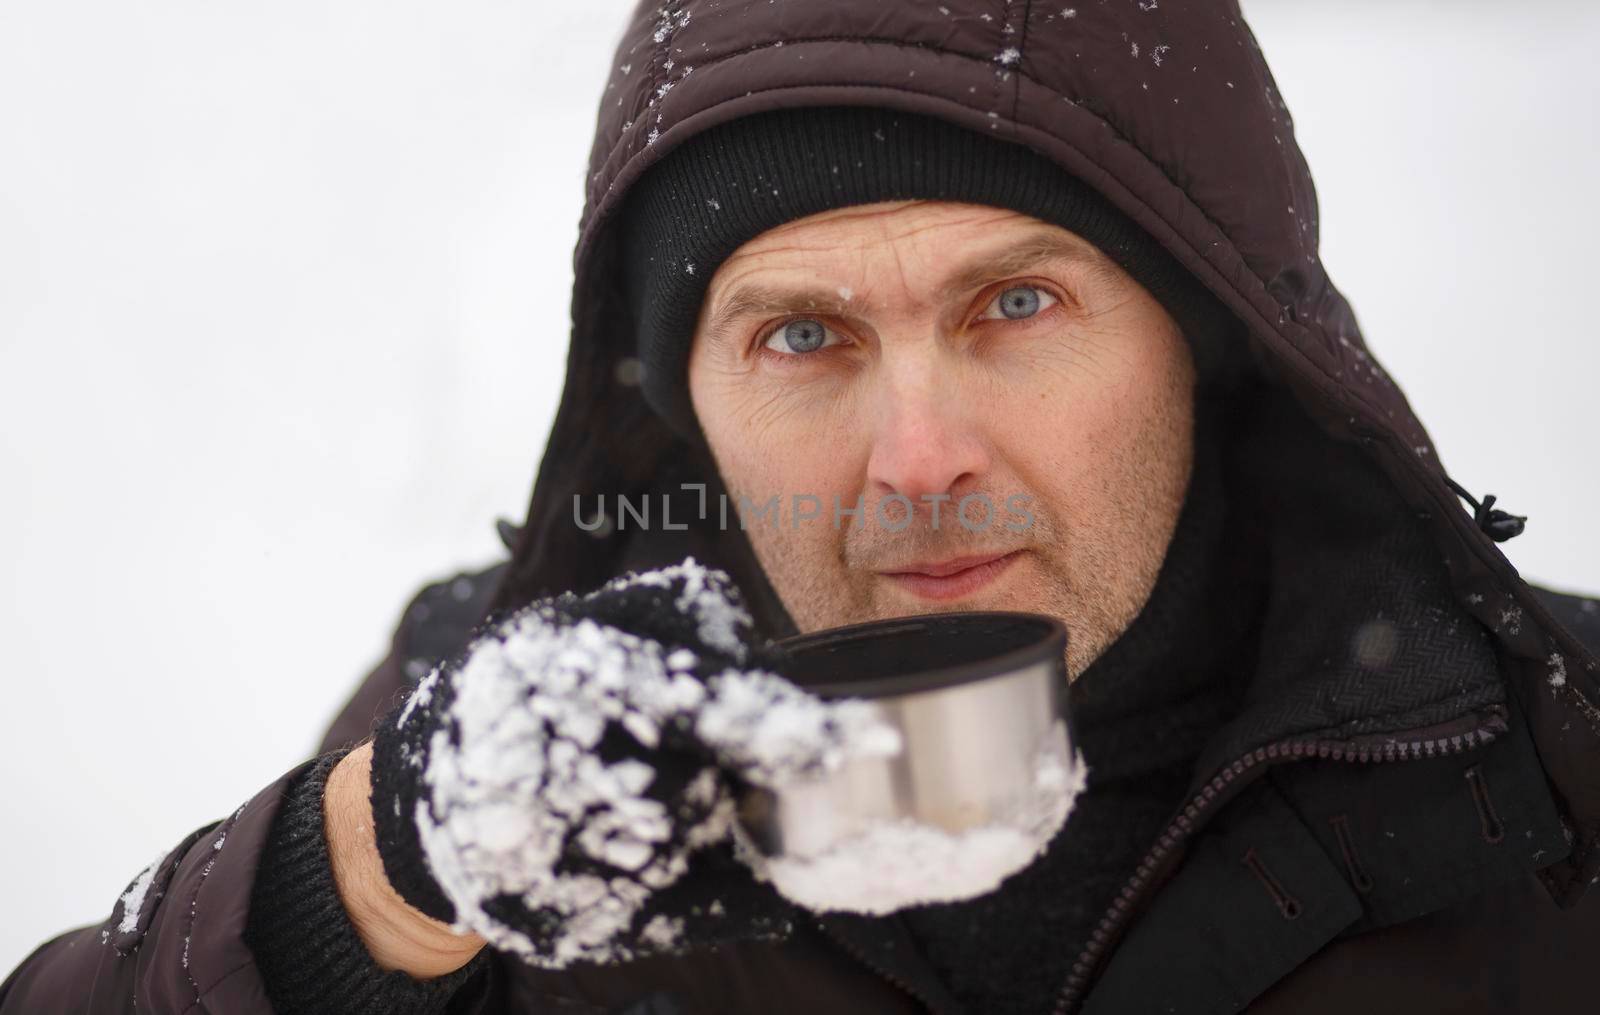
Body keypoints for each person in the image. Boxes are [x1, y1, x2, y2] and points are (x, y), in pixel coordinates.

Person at [5, 1, 1600, 1012]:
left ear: (1208, 340)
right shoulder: (505, 745)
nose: (918, 459)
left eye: (1016, 307)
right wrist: (351, 889)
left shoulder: (1555, 771)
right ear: (678, 398)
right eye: (801, 335)